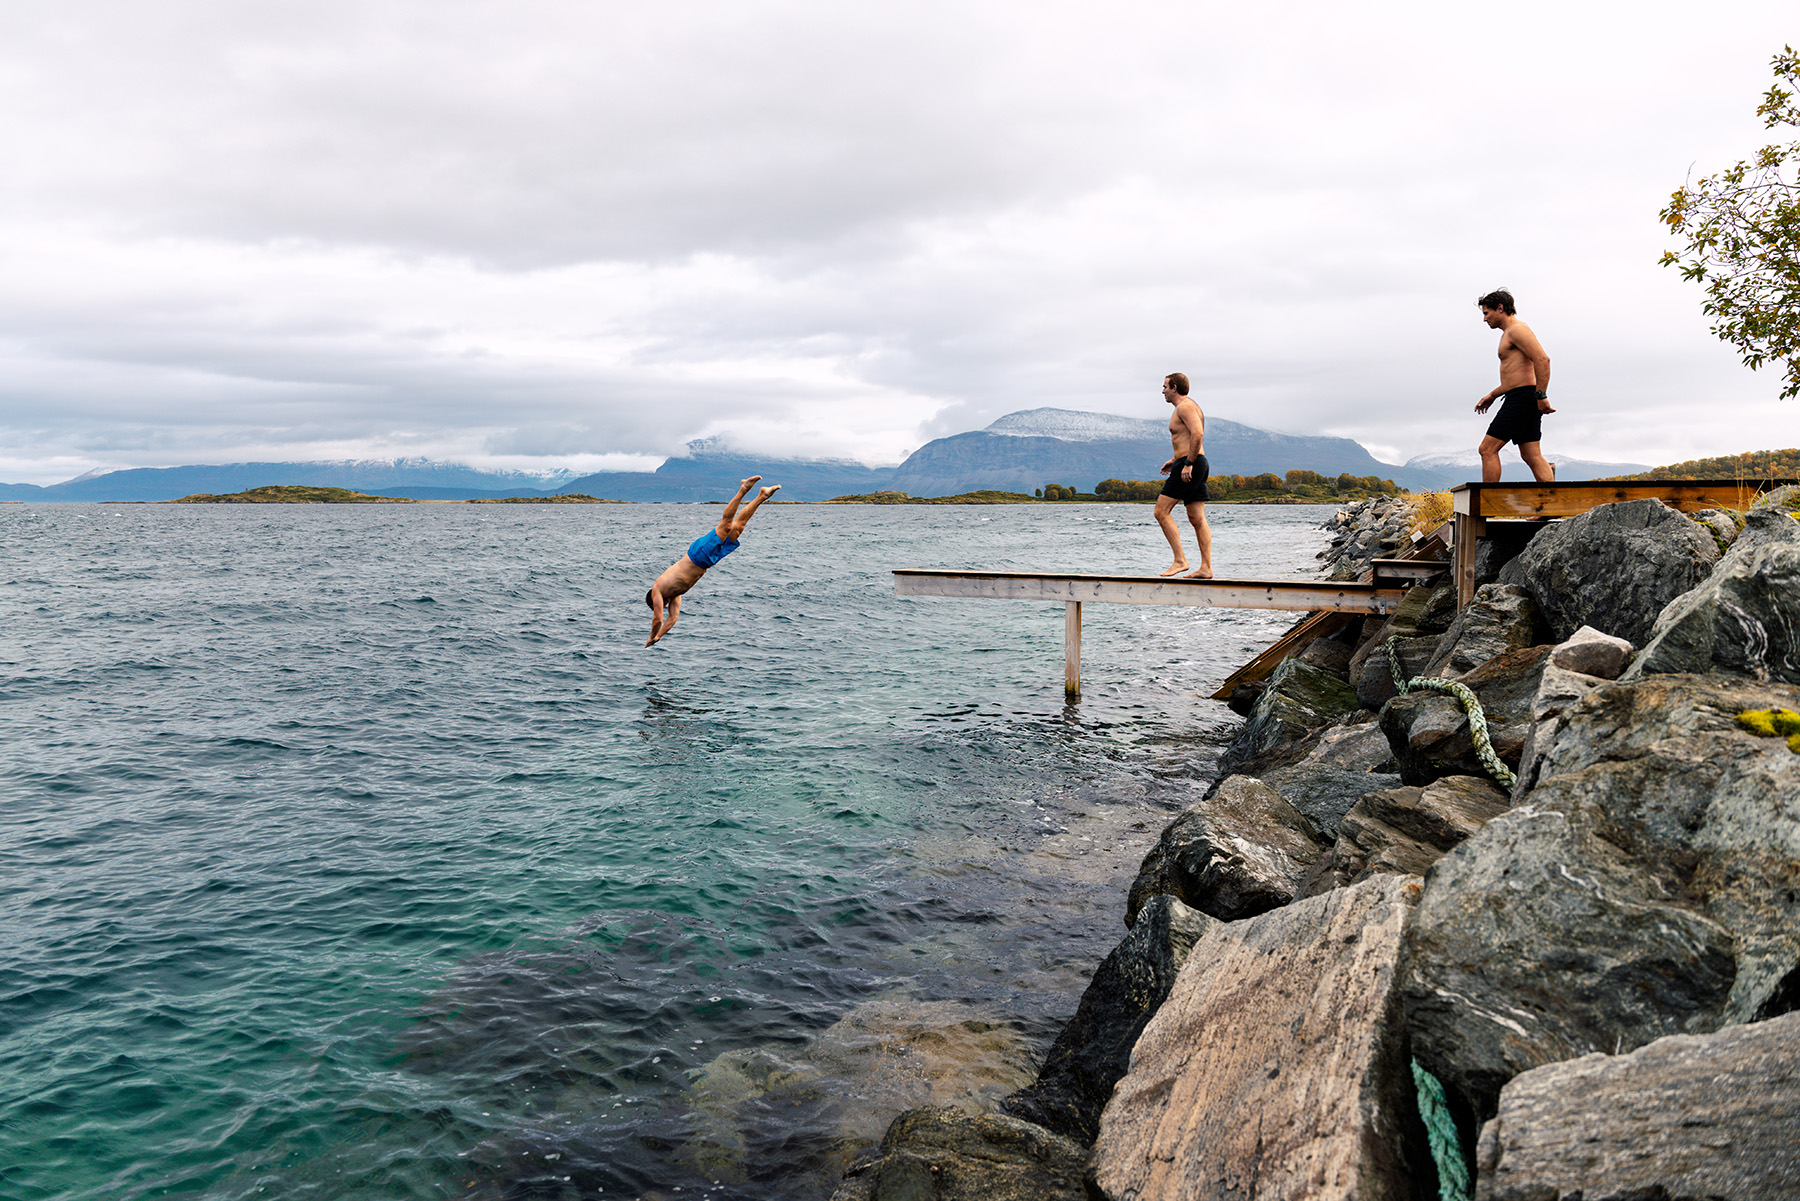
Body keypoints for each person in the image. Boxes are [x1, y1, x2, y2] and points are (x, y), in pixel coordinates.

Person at [644, 475, 780, 646]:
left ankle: (743, 488)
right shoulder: (675, 594)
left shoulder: (657, 590)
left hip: (697, 555)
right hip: (709, 561)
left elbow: (658, 619)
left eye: (662, 605)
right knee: (738, 528)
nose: (665, 606)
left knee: (726, 525)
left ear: (656, 601)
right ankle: (762, 496)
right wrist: (658, 637)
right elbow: (673, 618)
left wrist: (651, 635)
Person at [1473, 289, 1556, 483]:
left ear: (1500, 308)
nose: (1485, 319)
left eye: (1486, 313)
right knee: (1531, 455)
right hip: (1522, 396)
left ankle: (1489, 504)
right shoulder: (1509, 333)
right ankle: (1550, 506)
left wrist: (1541, 395)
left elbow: (1542, 360)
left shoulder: (1517, 330)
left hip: (1523, 398)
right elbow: (1514, 379)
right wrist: (1492, 395)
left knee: (1487, 449)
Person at [1154, 372, 1213, 578]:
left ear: (1174, 388)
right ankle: (1206, 568)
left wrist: (1187, 463)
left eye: (1165, 387)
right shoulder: (1190, 406)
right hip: (1195, 462)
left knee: (1161, 512)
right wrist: (1175, 459)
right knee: (1196, 517)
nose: (1163, 391)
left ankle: (1180, 561)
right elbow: (1190, 438)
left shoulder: (1185, 407)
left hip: (1191, 464)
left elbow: (1198, 434)